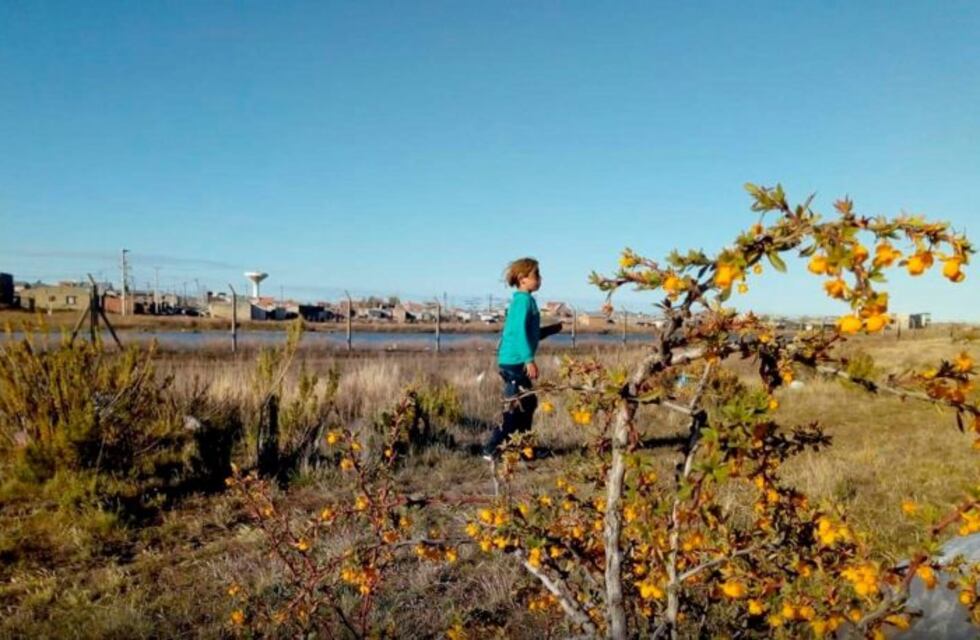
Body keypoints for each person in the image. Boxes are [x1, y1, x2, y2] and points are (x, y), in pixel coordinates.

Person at [482, 257, 562, 460]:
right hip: (515, 362)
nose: (540, 279)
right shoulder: (522, 301)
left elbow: (529, 333)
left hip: (516, 360)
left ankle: (524, 449)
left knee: (527, 404)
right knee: (515, 407)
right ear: (522, 278)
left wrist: (550, 330)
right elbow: (518, 333)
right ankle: (493, 448)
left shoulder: (527, 301)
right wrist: (528, 360)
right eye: (536, 275)